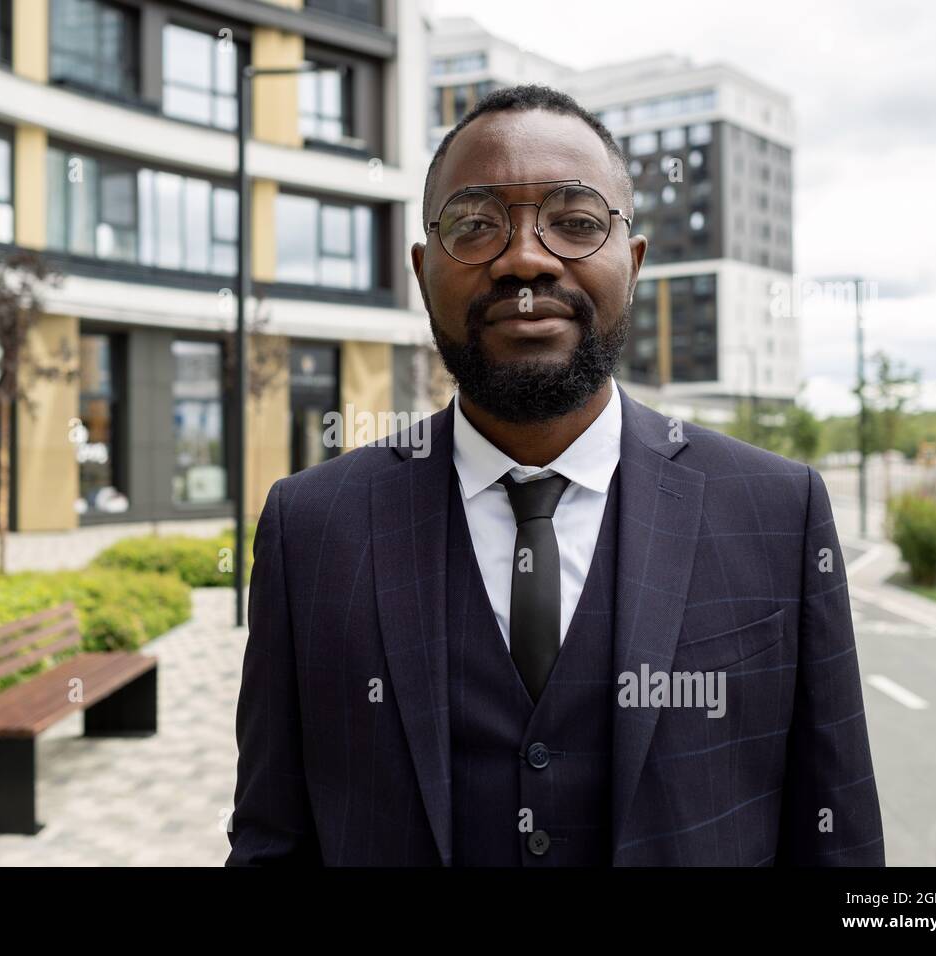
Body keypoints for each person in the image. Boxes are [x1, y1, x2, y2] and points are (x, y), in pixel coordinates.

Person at [227, 84, 883, 866]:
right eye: (475, 225)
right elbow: (273, 838)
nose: (526, 259)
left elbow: (838, 837)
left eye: (575, 223)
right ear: (421, 269)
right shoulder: (311, 528)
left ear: (632, 263)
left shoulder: (780, 512)